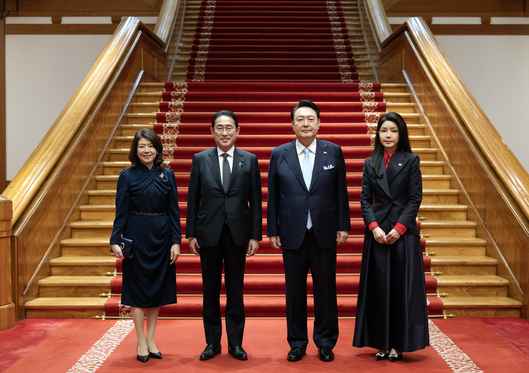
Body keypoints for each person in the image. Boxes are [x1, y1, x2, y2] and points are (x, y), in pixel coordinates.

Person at [267, 100, 351, 362]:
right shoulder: (279, 153)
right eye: (300, 119)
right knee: (294, 291)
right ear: (292, 124)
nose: (306, 123)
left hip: (324, 231)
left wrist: (343, 225)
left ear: (319, 122)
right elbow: (273, 196)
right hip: (292, 231)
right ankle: (297, 342)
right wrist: (272, 229)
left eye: (311, 119)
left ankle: (325, 341)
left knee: (326, 290)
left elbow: (341, 192)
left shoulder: (333, 151)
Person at [353, 112, 429, 362]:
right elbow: (365, 199)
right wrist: (373, 226)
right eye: (384, 130)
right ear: (378, 134)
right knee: (378, 290)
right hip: (377, 233)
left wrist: (399, 228)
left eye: (393, 131)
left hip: (402, 233)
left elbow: (414, 198)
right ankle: (380, 342)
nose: (388, 135)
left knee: (399, 289)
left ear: (400, 134)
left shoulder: (411, 160)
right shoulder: (370, 162)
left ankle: (398, 344)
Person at [186, 110, 262, 361]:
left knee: (235, 291)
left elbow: (255, 199)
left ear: (238, 131)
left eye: (229, 127)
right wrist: (191, 234)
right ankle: (212, 343)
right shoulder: (200, 159)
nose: (224, 132)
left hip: (238, 234)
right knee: (210, 291)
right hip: (208, 234)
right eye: (219, 127)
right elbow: (193, 198)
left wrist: (255, 236)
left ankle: (236, 343)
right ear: (212, 131)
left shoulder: (248, 160)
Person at [110, 128, 182, 363]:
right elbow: (121, 211)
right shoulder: (127, 176)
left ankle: (151, 339)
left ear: (157, 149)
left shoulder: (167, 175)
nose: (146, 150)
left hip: (161, 237)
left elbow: (174, 211)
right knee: (138, 290)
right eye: (141, 146)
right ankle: (140, 339)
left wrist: (175, 241)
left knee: (157, 289)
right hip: (136, 237)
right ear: (136, 150)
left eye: (150, 146)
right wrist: (114, 239)